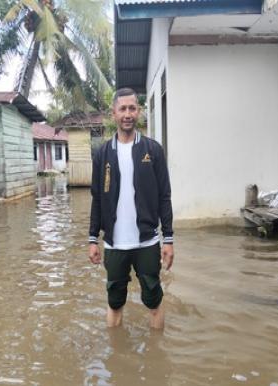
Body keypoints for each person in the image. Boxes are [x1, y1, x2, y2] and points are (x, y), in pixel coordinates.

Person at [88, 87, 174, 329]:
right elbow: (97, 198)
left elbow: (164, 197)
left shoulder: (153, 150)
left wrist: (168, 239)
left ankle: (157, 359)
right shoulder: (102, 154)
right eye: (123, 109)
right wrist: (92, 239)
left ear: (139, 112)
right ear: (113, 113)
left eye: (132, 108)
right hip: (115, 244)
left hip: (146, 243)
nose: (128, 114)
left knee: (154, 302)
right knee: (114, 304)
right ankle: (116, 358)